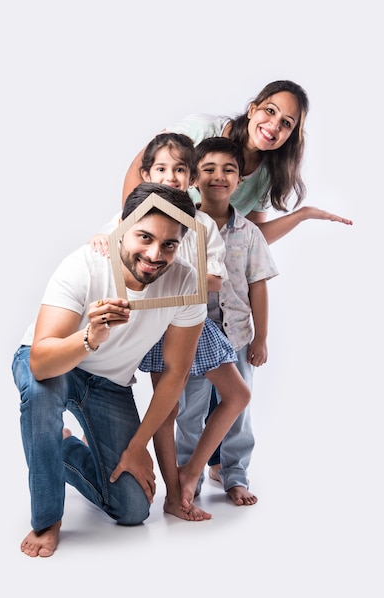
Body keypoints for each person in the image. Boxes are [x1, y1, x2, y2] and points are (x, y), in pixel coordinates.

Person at [13, 182, 228, 558]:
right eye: (144, 237)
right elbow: (40, 362)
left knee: (132, 510)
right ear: (122, 227)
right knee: (41, 396)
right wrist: (90, 337)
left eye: (169, 244)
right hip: (56, 361)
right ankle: (47, 520)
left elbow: (175, 374)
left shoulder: (185, 282)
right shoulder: (83, 265)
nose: (154, 254)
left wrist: (137, 446)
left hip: (109, 383)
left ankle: (61, 448)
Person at [90, 133, 251, 519]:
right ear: (147, 173)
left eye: (180, 169)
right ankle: (174, 494)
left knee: (238, 395)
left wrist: (181, 272)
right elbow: (109, 249)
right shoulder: (131, 215)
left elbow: (216, 279)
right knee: (169, 407)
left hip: (192, 319)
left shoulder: (200, 225)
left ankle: (191, 471)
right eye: (162, 168)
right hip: (154, 324)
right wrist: (100, 237)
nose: (171, 176)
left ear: (192, 178)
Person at [122, 79, 353, 244]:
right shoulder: (202, 129)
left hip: (196, 259)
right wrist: (127, 228)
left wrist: (300, 215)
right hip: (151, 240)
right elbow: (141, 167)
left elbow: (249, 236)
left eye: (286, 123)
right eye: (270, 111)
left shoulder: (266, 175)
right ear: (252, 109)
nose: (274, 125)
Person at [175, 136, 279, 506]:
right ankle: (188, 478)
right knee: (190, 410)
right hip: (193, 337)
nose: (219, 176)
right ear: (193, 179)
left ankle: (235, 476)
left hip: (235, 337)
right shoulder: (183, 228)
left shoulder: (249, 233)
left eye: (229, 170)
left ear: (239, 181)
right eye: (209, 169)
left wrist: (261, 337)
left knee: (238, 411)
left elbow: (259, 287)